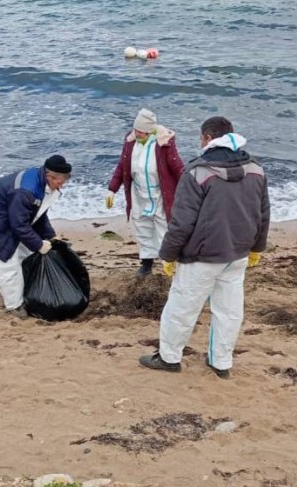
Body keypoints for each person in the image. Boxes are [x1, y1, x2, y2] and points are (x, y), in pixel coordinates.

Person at [139, 116, 270, 378]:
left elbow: (182, 221)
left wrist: (168, 254)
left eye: (201, 137)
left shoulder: (197, 172)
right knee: (229, 311)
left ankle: (169, 358)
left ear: (207, 138)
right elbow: (263, 213)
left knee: (182, 307)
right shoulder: (256, 169)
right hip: (238, 253)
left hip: (202, 255)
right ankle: (221, 363)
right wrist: (257, 247)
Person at [0, 155, 72, 318]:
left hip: (12, 220)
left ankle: (23, 292)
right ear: (49, 176)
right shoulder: (25, 191)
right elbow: (19, 225)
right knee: (7, 265)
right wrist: (39, 244)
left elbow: (38, 214)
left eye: (66, 180)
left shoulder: (42, 184)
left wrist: (50, 236)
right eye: (60, 181)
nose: (62, 184)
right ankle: (14, 307)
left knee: (27, 256)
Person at [105, 108, 184, 276]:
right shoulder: (130, 141)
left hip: (160, 195)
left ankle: (168, 263)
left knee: (164, 229)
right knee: (142, 228)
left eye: (141, 131)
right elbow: (122, 166)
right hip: (139, 194)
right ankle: (146, 264)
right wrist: (112, 189)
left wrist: (190, 189)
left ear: (150, 131)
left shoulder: (164, 143)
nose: (137, 133)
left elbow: (178, 169)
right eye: (136, 130)